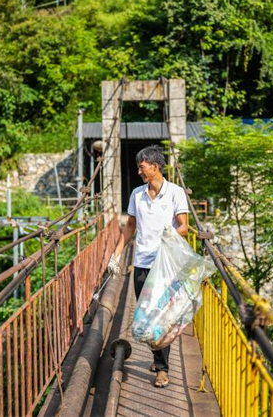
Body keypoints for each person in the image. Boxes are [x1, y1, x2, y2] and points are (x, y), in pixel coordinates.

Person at [108, 145, 189, 388]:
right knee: (146, 317)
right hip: (141, 262)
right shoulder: (137, 194)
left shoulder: (175, 193)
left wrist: (170, 235)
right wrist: (117, 254)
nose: (139, 172)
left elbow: (183, 226)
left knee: (161, 317)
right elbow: (130, 226)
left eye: (141, 167)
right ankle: (157, 356)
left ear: (154, 166)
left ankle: (162, 369)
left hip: (164, 264)